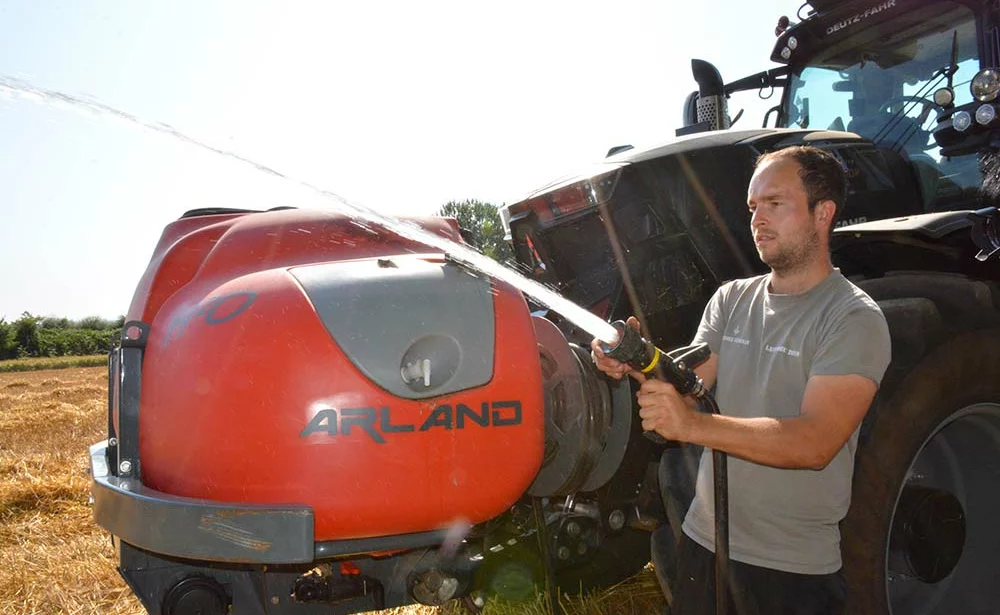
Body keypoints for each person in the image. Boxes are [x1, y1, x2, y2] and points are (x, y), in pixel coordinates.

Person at [591, 145, 892, 615]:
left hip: (792, 571)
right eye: (753, 207)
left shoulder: (852, 318)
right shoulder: (731, 299)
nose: (757, 219)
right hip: (705, 545)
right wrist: (636, 362)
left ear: (823, 213)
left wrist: (693, 428)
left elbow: (815, 443)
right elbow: (691, 391)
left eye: (775, 203)